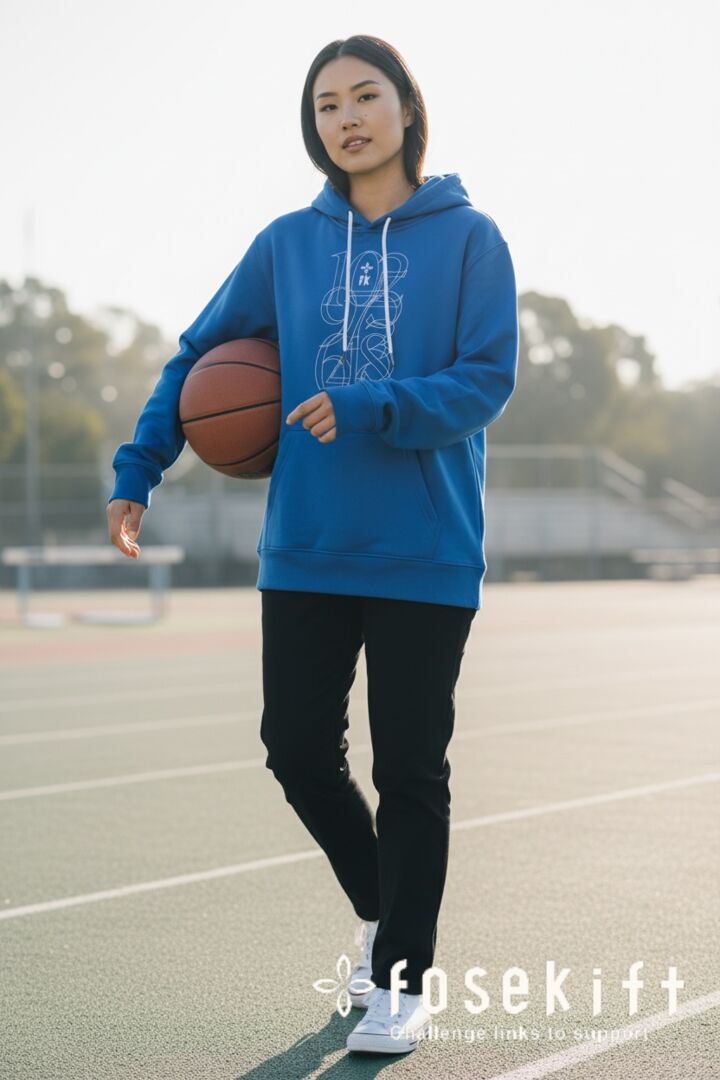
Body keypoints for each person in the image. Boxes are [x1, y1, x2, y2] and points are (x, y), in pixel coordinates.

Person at [106, 34, 519, 1056]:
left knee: (411, 769)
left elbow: (486, 380)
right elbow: (199, 356)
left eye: (364, 96)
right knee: (295, 750)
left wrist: (373, 403)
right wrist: (139, 467)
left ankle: (404, 979)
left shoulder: (472, 239)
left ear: (407, 109)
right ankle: (385, 913)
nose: (346, 118)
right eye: (327, 104)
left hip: (426, 548)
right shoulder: (287, 244)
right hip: (306, 543)